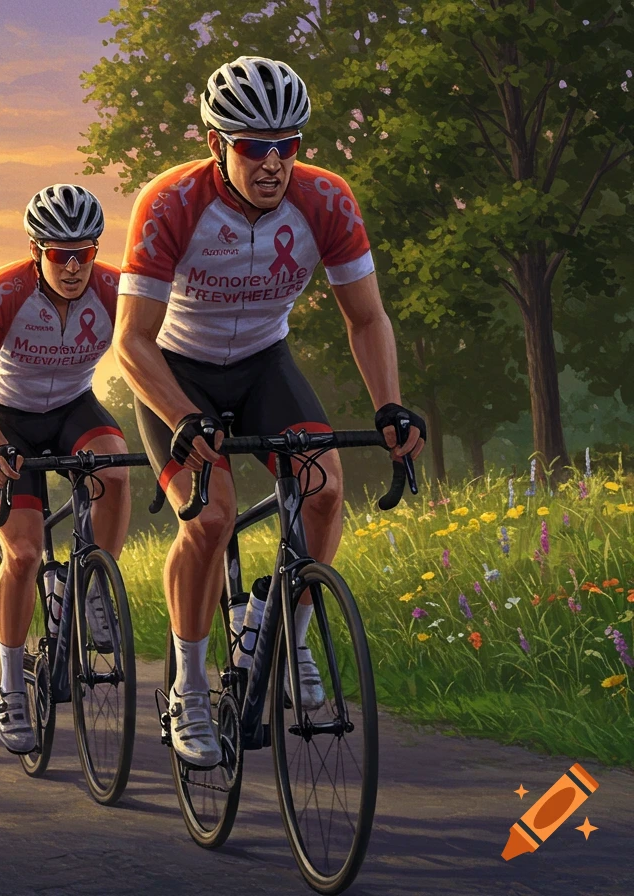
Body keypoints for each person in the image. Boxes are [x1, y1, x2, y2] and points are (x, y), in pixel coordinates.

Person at [114, 56, 426, 767]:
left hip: (264, 365)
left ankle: (290, 630)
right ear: (216, 143)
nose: (274, 162)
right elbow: (130, 341)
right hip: (177, 372)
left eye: (288, 145)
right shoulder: (170, 202)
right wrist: (184, 418)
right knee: (214, 516)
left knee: (325, 491)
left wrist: (390, 406)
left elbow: (367, 318)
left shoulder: (327, 200)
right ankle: (189, 688)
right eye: (255, 146)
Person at [0, 184, 131, 754]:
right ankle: (9, 686)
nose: (75, 266)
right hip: (7, 420)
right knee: (24, 554)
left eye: (85, 252)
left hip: (74, 406)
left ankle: (92, 591)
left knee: (118, 470)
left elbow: (151, 352)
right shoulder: (3, 290)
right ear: (37, 251)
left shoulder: (116, 288)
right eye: (60, 254)